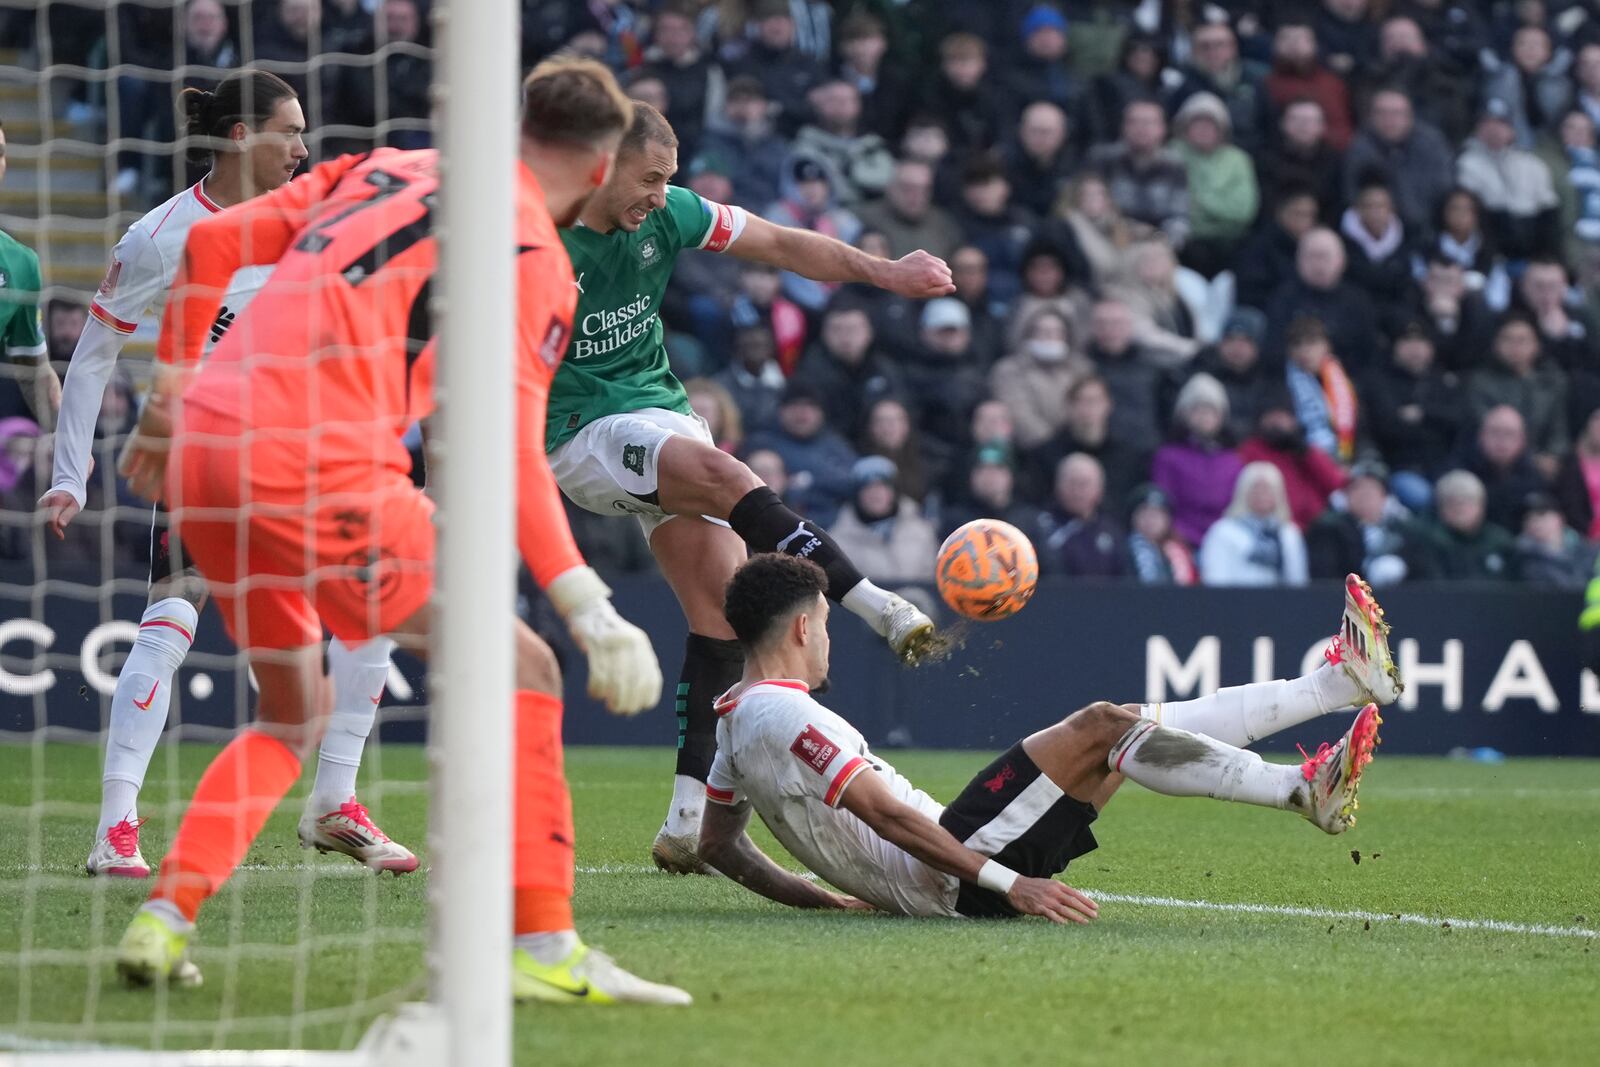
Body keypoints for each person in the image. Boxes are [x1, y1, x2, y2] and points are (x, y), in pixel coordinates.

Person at [112, 57, 688, 1005]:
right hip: (322, 462)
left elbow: (209, 253)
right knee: (529, 668)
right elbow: (507, 448)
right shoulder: (533, 263)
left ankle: (163, 920)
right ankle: (545, 945)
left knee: (290, 710)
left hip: (206, 450)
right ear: (595, 168)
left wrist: (169, 390)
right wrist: (585, 602)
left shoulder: (383, 168)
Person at [551, 103, 956, 875]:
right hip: (577, 430)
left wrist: (884, 271)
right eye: (649, 179)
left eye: (668, 180)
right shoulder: (540, 232)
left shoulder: (670, 213)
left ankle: (682, 824)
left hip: (656, 409)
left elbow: (779, 243)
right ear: (601, 164)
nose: (658, 195)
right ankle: (877, 605)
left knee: (720, 613)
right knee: (727, 476)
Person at [37, 72, 419, 878]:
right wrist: (70, 473)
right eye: (291, 130)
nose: (305, 148)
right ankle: (115, 827)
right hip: (209, 453)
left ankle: (334, 804)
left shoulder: (317, 214)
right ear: (242, 135)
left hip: (308, 446)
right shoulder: (161, 235)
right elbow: (95, 354)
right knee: (174, 614)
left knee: (375, 601)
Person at [697, 554, 1398, 919]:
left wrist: (830, 898)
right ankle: (1300, 788)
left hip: (948, 862)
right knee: (1102, 724)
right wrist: (1009, 884)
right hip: (956, 868)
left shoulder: (734, 720)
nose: (827, 639)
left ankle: (1333, 690)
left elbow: (718, 846)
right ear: (798, 628)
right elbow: (883, 813)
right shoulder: (787, 715)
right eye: (824, 622)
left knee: (1117, 723)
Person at [1152, 373, 1242, 547]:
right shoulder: (1168, 457)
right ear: (1184, 414)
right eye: (1198, 409)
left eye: (1211, 410)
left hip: (1226, 543)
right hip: (1181, 542)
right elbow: (1164, 504)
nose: (1205, 416)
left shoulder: (1233, 460)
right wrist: (1180, 535)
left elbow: (1238, 507)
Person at [825, 456, 939, 587]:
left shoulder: (922, 531)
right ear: (856, 495)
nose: (876, 493)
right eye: (867, 487)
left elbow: (933, 579)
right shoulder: (837, 541)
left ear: (894, 491)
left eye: (882, 485)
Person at [1307, 460, 1424, 584]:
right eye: (1357, 488)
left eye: (1372, 489)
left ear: (1384, 497)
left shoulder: (1405, 532)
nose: (1364, 495)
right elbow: (1325, 578)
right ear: (1347, 496)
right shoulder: (1330, 530)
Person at [987, 307, 1088, 450]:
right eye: (1042, 331)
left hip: (1076, 446)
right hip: (1029, 450)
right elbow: (1018, 413)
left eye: (1057, 332)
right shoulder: (1009, 370)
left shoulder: (1081, 370)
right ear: (1028, 335)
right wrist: (1051, 446)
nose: (1049, 337)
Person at [1198, 462, 1311, 587]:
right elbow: (1215, 580)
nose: (1262, 494)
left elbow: (1297, 581)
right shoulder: (1223, 531)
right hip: (1235, 602)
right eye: (1256, 488)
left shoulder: (1289, 533)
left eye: (1268, 489)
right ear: (1243, 491)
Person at [1238, 401, 1347, 530]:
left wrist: (1307, 454)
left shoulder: (1305, 450)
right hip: (1276, 528)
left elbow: (1335, 483)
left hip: (1315, 528)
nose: (1277, 423)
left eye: (1282, 417)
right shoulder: (1251, 450)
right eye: (1272, 417)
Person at [1036, 453, 1125, 578]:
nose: (1077, 491)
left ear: (1099, 489)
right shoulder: (1040, 527)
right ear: (1057, 485)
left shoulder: (1112, 531)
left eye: (1084, 484)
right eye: (1071, 483)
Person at [1417, 470, 1515, 580]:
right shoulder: (1429, 542)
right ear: (1440, 508)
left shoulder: (1500, 541)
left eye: (1467, 501)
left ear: (1481, 506)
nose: (1460, 509)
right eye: (1452, 502)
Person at [1125, 484, 1198, 586]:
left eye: (1157, 515)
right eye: (1145, 513)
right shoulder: (1124, 550)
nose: (1151, 520)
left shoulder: (1179, 551)